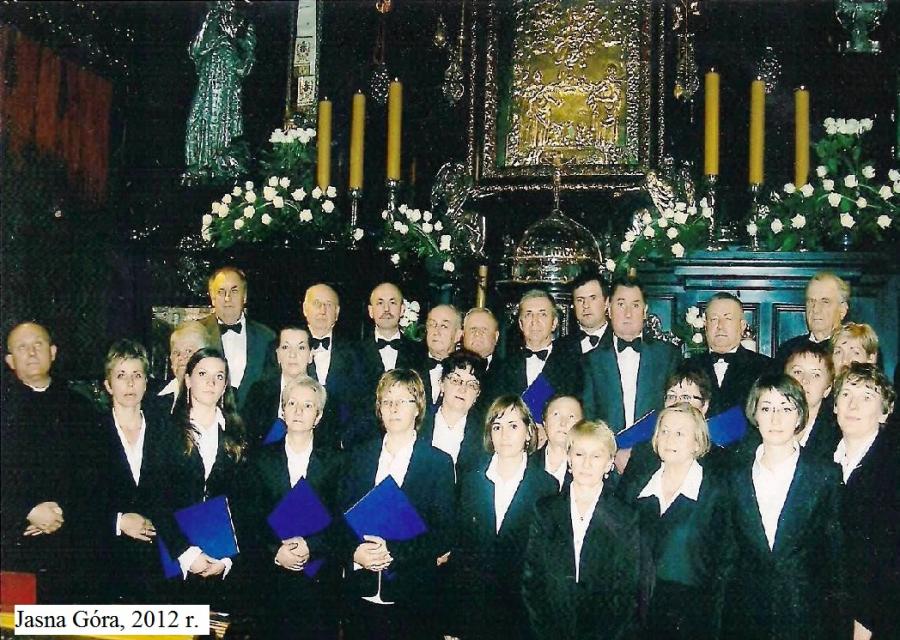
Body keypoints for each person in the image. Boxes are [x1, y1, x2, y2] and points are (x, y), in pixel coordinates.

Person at [722, 373, 847, 639]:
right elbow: (727, 554)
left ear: (800, 415)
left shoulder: (825, 475)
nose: (775, 419)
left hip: (807, 616)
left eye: (786, 408)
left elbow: (836, 558)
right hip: (746, 616)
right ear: (754, 414)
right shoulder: (733, 475)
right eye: (767, 408)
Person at [336, 369, 454, 640]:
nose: (394, 408)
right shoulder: (358, 457)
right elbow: (338, 518)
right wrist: (354, 552)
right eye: (387, 401)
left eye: (403, 400)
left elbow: (444, 533)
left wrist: (393, 551)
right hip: (359, 595)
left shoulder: (438, 463)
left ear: (418, 408)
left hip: (412, 597)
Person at [522, 420, 647, 640]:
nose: (586, 463)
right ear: (569, 459)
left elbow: (628, 591)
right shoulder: (546, 510)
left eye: (596, 456)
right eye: (579, 454)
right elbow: (533, 581)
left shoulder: (625, 517)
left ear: (609, 463)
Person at [449, 396, 558, 640]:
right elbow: (460, 552)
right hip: (474, 612)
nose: (504, 434)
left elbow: (547, 563)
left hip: (523, 617)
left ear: (529, 433)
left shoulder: (546, 486)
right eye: (497, 427)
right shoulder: (471, 480)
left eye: (513, 426)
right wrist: (453, 623)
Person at [0, 321, 95, 602]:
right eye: (22, 347)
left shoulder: (80, 407)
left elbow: (94, 476)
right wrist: (26, 511)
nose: (31, 352)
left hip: (69, 546)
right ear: (9, 360)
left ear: (53, 352)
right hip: (14, 545)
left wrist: (61, 512)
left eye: (38, 344)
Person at [243, 375, 343, 639]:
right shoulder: (259, 459)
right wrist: (276, 552)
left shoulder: (337, 461)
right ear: (282, 411)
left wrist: (312, 546)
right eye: (292, 403)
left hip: (320, 580)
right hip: (271, 580)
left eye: (308, 405)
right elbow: (249, 519)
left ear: (318, 416)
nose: (298, 411)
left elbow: (342, 519)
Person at [152, 347, 248, 609]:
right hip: (174, 556)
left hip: (221, 557)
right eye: (203, 374)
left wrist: (227, 559)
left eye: (219, 376)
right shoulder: (165, 430)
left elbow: (244, 503)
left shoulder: (237, 434)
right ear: (188, 379)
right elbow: (155, 499)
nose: (211, 382)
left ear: (225, 386)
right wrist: (186, 553)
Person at [622, 404, 729, 639]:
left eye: (680, 433)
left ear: (697, 443)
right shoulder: (636, 488)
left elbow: (724, 567)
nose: (669, 439)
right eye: (664, 431)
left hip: (692, 622)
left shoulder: (716, 493)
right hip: (638, 622)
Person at [94, 339, 171, 603]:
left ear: (146, 383)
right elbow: (79, 499)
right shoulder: (90, 433)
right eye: (121, 375)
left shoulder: (165, 430)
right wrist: (118, 521)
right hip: (107, 563)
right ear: (108, 385)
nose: (130, 383)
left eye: (137, 375)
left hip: (158, 564)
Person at [832, 363, 899, 640]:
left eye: (867, 397)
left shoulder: (893, 466)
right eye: (846, 394)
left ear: (885, 412)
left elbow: (888, 559)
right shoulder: (820, 462)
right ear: (834, 405)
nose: (853, 405)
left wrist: (865, 622)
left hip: (880, 617)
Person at [583, 276, 681, 431]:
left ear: (645, 311)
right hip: (606, 445)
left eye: (635, 305)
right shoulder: (591, 360)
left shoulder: (667, 355)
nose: (628, 313)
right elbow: (588, 415)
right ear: (609, 308)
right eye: (621, 304)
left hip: (655, 444)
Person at [184, 0, 256, 173]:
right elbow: (195, 50)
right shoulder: (211, 19)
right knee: (197, 119)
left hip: (229, 77)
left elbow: (248, 57)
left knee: (224, 118)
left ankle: (221, 162)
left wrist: (230, 40)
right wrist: (210, 27)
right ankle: (200, 164)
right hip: (208, 77)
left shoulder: (243, 23)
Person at [491, 290, 583, 420]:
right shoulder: (502, 368)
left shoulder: (573, 366)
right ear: (521, 324)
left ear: (554, 323)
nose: (535, 321)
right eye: (528, 314)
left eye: (542, 314)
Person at [200, 266, 276, 409]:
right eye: (221, 292)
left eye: (234, 291)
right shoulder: (197, 332)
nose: (227, 298)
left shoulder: (267, 337)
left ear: (244, 296)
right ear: (212, 297)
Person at [689, 292, 772, 416]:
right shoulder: (688, 367)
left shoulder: (766, 367)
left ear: (742, 326)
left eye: (728, 319)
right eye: (714, 319)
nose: (720, 326)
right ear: (705, 325)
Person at [302, 283, 364, 448]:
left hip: (340, 447)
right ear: (305, 309)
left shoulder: (355, 352)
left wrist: (346, 439)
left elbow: (361, 403)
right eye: (317, 303)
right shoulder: (285, 347)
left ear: (337, 313)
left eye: (328, 305)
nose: (322, 310)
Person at [418, 350, 488, 478]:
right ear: (441, 384)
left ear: (478, 393)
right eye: (456, 380)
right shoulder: (418, 423)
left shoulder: (484, 433)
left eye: (471, 385)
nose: (463, 389)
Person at [242, 324, 314, 447]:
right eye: (286, 347)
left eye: (301, 348)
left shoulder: (323, 398)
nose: (293, 354)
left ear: (310, 355)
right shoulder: (258, 393)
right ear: (278, 354)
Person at [775, 271, 850, 365]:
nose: (815, 309)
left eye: (825, 302)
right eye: (811, 301)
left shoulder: (851, 350)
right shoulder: (788, 350)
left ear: (842, 310)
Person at [785, 342, 840, 459]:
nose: (805, 380)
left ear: (827, 389)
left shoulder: (836, 436)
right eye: (798, 372)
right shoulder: (764, 426)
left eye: (815, 375)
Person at [150, 320, 211, 414]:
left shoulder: (217, 395)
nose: (181, 357)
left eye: (189, 351)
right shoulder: (153, 398)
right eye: (176, 352)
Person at [533, 395, 584, 490]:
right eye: (556, 414)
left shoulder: (587, 469)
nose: (563, 423)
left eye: (571, 416)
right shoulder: (526, 465)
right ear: (544, 422)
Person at [559, 270, 612, 357]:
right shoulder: (559, 348)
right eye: (580, 300)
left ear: (606, 302)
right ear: (573, 305)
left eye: (593, 298)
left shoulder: (621, 342)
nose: (586, 305)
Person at [422, 305, 463, 406]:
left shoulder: (465, 372)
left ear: (458, 335)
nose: (436, 332)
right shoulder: (409, 364)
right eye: (432, 324)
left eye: (444, 326)